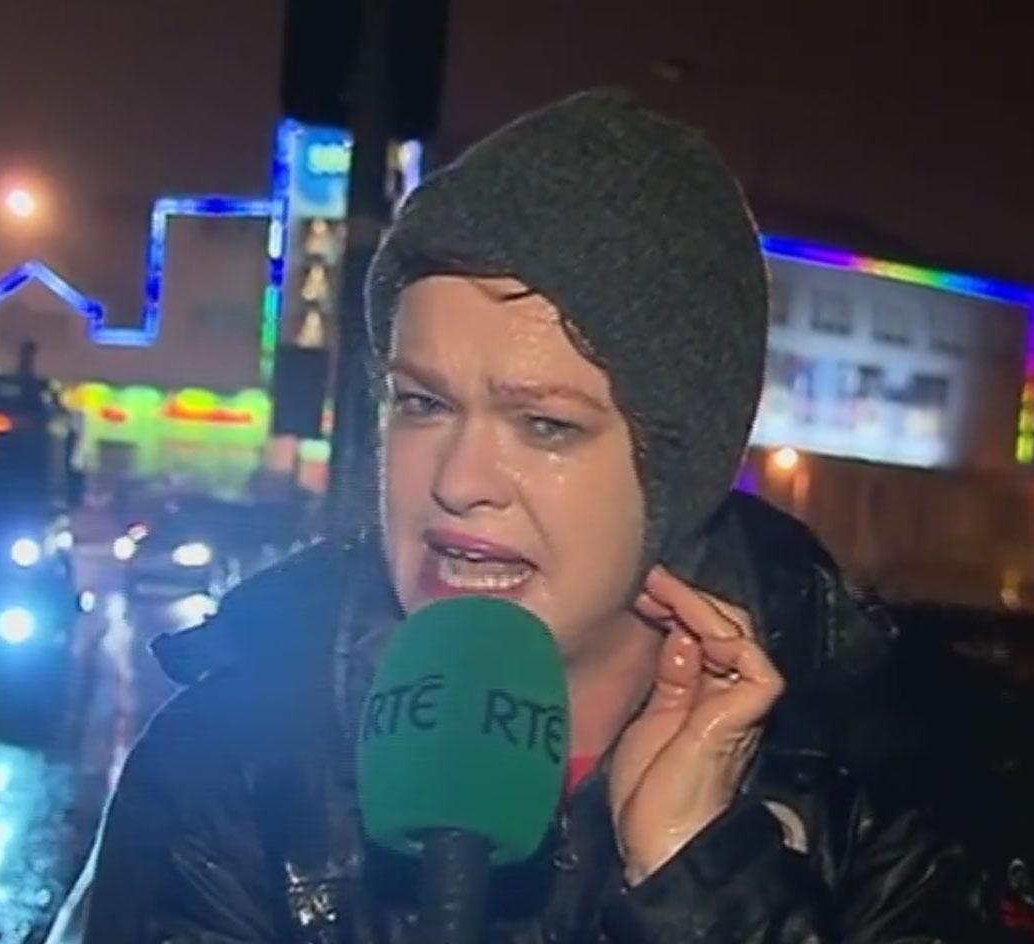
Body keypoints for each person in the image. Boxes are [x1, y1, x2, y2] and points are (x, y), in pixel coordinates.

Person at [79, 90, 988, 943]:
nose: (460, 481)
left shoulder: (872, 786)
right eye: (423, 404)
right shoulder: (230, 765)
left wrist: (700, 884)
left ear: (680, 469)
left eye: (547, 425)